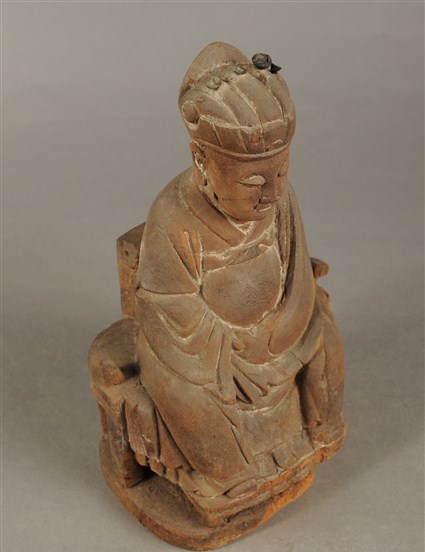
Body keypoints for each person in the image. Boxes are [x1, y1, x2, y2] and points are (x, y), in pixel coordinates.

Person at [126, 43, 345, 523]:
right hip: (204, 352)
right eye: (252, 183)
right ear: (202, 160)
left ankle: (322, 429)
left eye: (281, 173)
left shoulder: (282, 201)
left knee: (324, 331)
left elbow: (295, 271)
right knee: (182, 393)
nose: (271, 192)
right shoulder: (174, 217)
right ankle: (232, 477)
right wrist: (227, 357)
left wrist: (284, 330)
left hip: (277, 331)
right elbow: (168, 308)